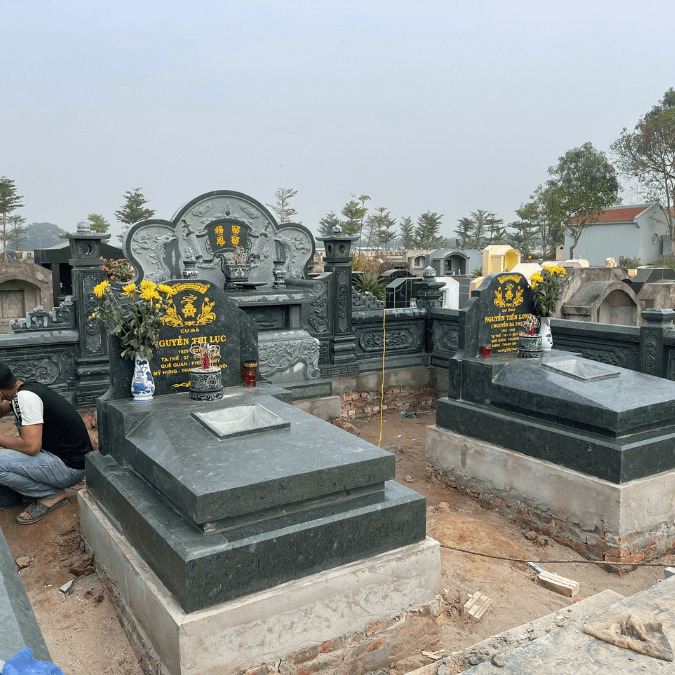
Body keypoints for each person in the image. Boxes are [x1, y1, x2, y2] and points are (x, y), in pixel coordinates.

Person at [0, 362, 93, 524]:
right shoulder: (26, 389)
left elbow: (31, 447)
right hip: (64, 457)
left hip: (69, 469)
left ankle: (50, 494)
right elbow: (4, 408)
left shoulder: (25, 398)